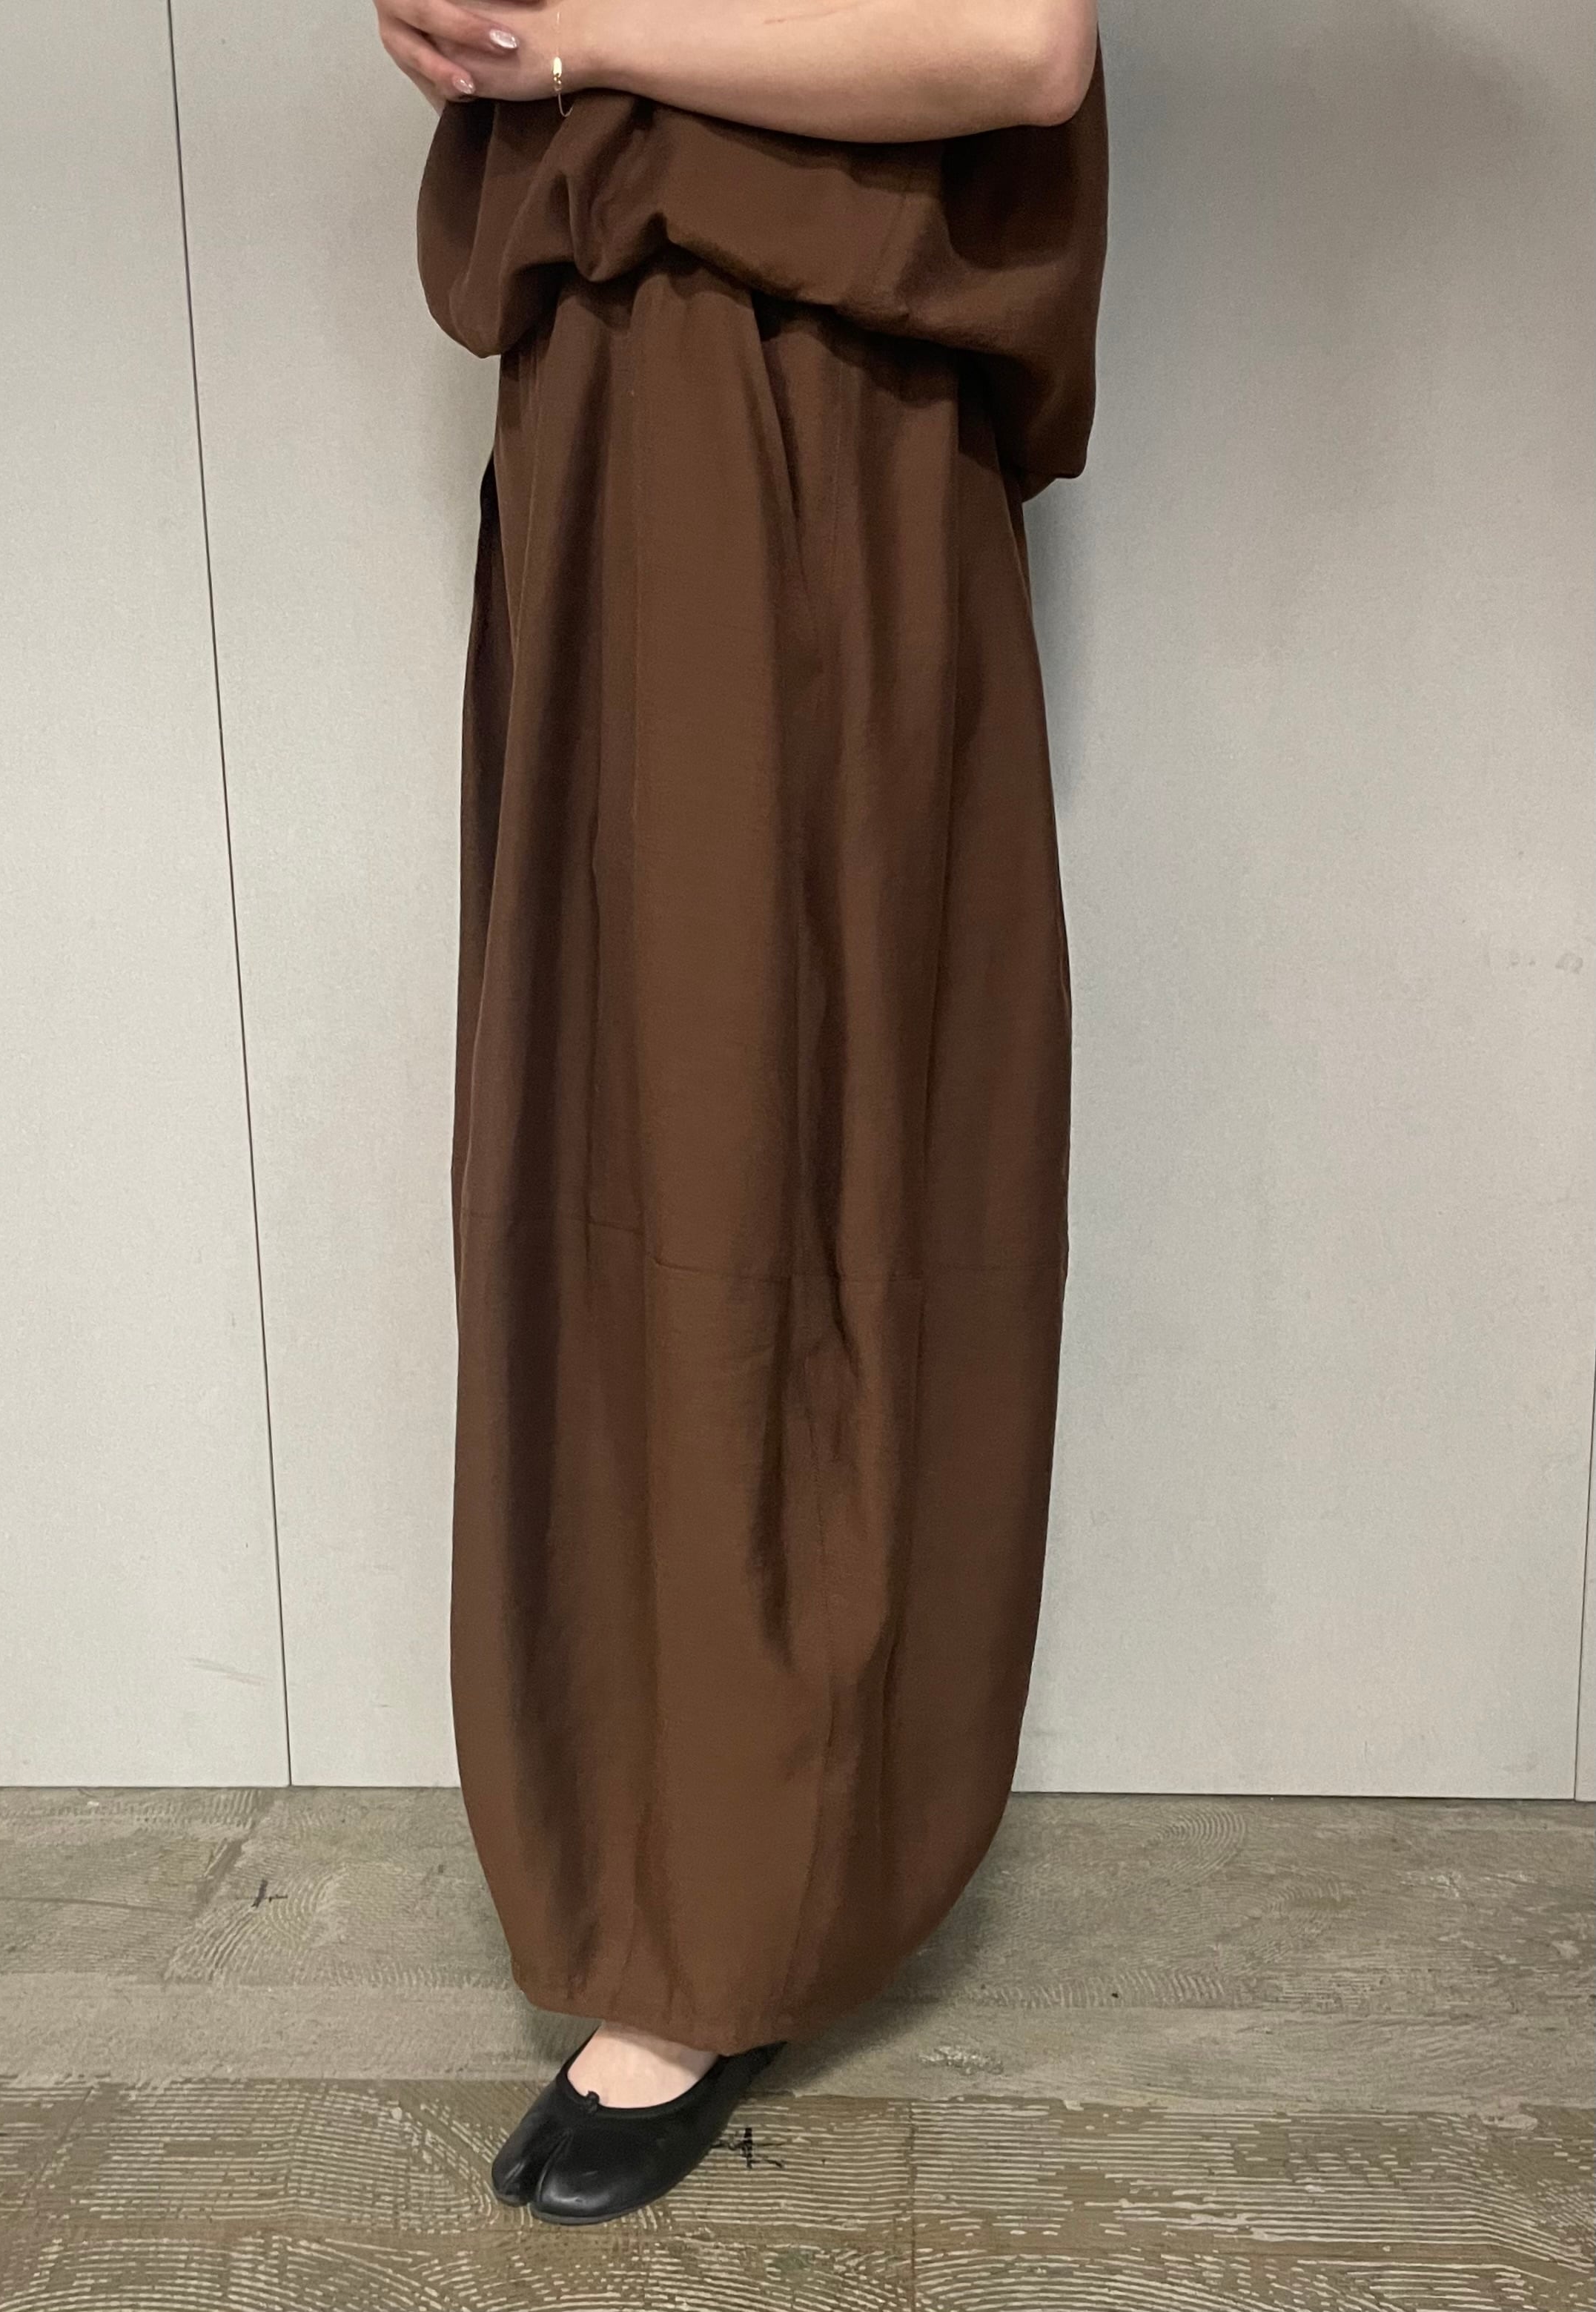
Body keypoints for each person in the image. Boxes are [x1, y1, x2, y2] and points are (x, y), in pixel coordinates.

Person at [374, 0, 1108, 2226]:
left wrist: (564, 44)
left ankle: (730, 1907)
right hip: (605, 403)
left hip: (817, 409)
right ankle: (660, 1849)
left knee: (787, 1146)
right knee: (611, 1146)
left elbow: (1016, 47)